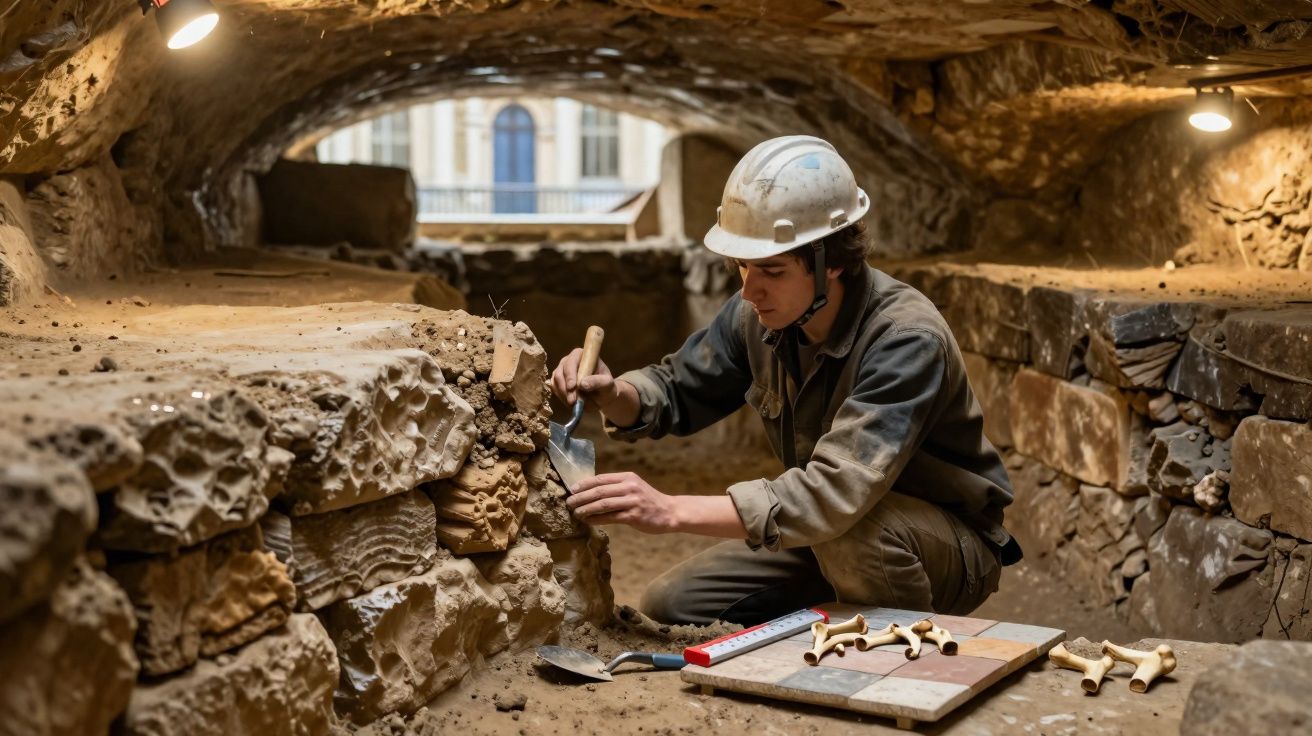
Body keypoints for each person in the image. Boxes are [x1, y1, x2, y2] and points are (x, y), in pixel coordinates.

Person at [550, 135, 1021, 627]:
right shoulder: (760, 314)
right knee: (673, 604)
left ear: (831, 262)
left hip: (941, 545)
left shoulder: (906, 339)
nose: (749, 290)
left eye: (771, 270)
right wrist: (615, 392)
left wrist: (668, 510)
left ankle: (898, 659)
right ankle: (840, 610)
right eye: (742, 266)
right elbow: (675, 389)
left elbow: (829, 496)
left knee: (849, 533)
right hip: (830, 534)